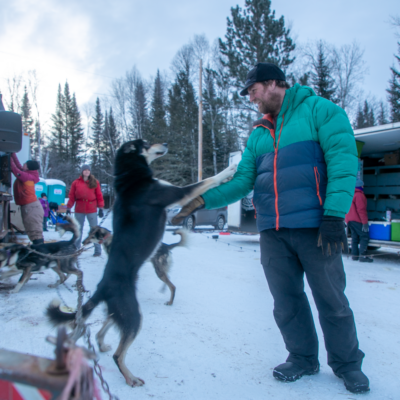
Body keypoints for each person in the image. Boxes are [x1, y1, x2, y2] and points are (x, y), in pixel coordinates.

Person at [172, 63, 369, 393]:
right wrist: (201, 201)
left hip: (316, 227)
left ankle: (347, 364)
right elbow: (242, 182)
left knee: (332, 299)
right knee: (286, 301)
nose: (251, 99)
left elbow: (343, 161)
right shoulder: (258, 134)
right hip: (273, 232)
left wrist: (335, 215)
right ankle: (303, 358)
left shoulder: (320, 111)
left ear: (273, 83)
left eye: (252, 91)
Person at [67, 165, 104, 256]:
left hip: (91, 208)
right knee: (78, 229)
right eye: (85, 170)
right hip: (79, 208)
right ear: (82, 171)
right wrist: (68, 207)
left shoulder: (95, 182)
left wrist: (101, 208)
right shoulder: (76, 183)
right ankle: (76, 249)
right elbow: (72, 196)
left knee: (94, 230)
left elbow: (99, 195)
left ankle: (98, 250)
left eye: (88, 170)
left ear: (90, 172)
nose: (87, 172)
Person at [10, 153, 44, 245]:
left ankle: (40, 253)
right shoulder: (28, 174)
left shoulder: (27, 177)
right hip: (30, 206)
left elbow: (14, 169)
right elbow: (18, 166)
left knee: (35, 232)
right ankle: (39, 252)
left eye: (25, 164)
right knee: (32, 231)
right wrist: (12, 154)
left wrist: (7, 157)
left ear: (28, 168)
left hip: (31, 207)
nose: (23, 165)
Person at [345, 179, 372, 263]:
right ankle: (362, 256)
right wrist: (365, 223)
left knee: (355, 237)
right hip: (357, 220)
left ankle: (355, 255)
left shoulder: (349, 194)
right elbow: (361, 210)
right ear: (360, 186)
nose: (363, 187)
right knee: (364, 236)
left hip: (349, 220)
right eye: (362, 185)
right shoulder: (359, 195)